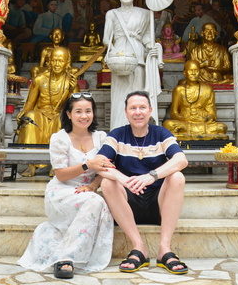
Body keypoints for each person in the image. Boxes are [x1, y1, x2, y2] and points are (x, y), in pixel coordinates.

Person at [18, 93, 115, 278]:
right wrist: (88, 165)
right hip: (62, 191)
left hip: (88, 191)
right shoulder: (59, 138)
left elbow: (106, 167)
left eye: (88, 111)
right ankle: (65, 258)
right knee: (96, 203)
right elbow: (61, 174)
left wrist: (94, 185)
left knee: (95, 201)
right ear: (69, 114)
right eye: (78, 111)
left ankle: (64, 257)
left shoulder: (102, 137)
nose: (84, 116)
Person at [95, 91, 189, 275]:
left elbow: (181, 160)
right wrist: (122, 178)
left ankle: (164, 249)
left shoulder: (160, 133)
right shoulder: (117, 135)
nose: (138, 112)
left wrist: (151, 176)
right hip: (128, 204)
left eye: (142, 107)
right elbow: (98, 163)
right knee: (107, 182)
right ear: (126, 112)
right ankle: (139, 248)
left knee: (177, 176)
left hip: (158, 204)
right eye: (133, 108)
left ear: (150, 110)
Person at [103, 0, 162, 130]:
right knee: (119, 98)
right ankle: (118, 130)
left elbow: (148, 38)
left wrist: (153, 47)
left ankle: (139, 131)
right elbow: (106, 39)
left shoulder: (145, 13)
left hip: (138, 57)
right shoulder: (112, 14)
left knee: (138, 96)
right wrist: (112, 53)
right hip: (119, 57)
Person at [17, 46, 78, 177]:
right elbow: (30, 103)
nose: (57, 64)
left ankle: (57, 165)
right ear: (49, 62)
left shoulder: (70, 82)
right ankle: (31, 164)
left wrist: (73, 90)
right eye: (54, 60)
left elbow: (76, 107)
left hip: (59, 114)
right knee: (30, 118)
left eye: (60, 61)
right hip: (41, 113)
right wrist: (24, 112)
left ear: (67, 63)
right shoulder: (39, 80)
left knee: (64, 119)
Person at [163, 60, 227, 141]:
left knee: (222, 127)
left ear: (200, 72)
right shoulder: (179, 90)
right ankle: (198, 134)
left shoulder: (207, 89)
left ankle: (190, 134)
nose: (193, 73)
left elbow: (212, 113)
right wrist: (186, 119)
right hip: (185, 123)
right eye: (190, 70)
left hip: (202, 122)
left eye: (196, 70)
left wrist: (207, 118)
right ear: (185, 73)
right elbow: (174, 113)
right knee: (168, 124)